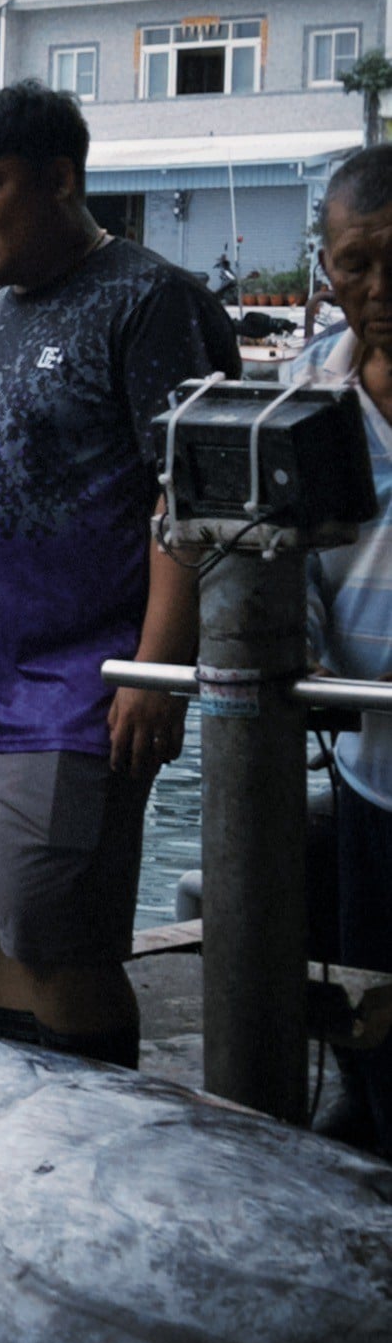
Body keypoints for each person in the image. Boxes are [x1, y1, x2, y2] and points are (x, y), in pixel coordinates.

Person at [0, 81, 240, 1068]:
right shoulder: (5, 308)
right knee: (2, 939)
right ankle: (27, 1142)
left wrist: (153, 672)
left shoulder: (151, 301)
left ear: (59, 180)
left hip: (74, 695)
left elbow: (188, 498)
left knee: (64, 939)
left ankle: (95, 1159)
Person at [293, 145, 392, 1154]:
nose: (378, 289)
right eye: (357, 263)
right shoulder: (305, 397)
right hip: (373, 761)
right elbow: (278, 563)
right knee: (371, 978)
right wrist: (308, 666)